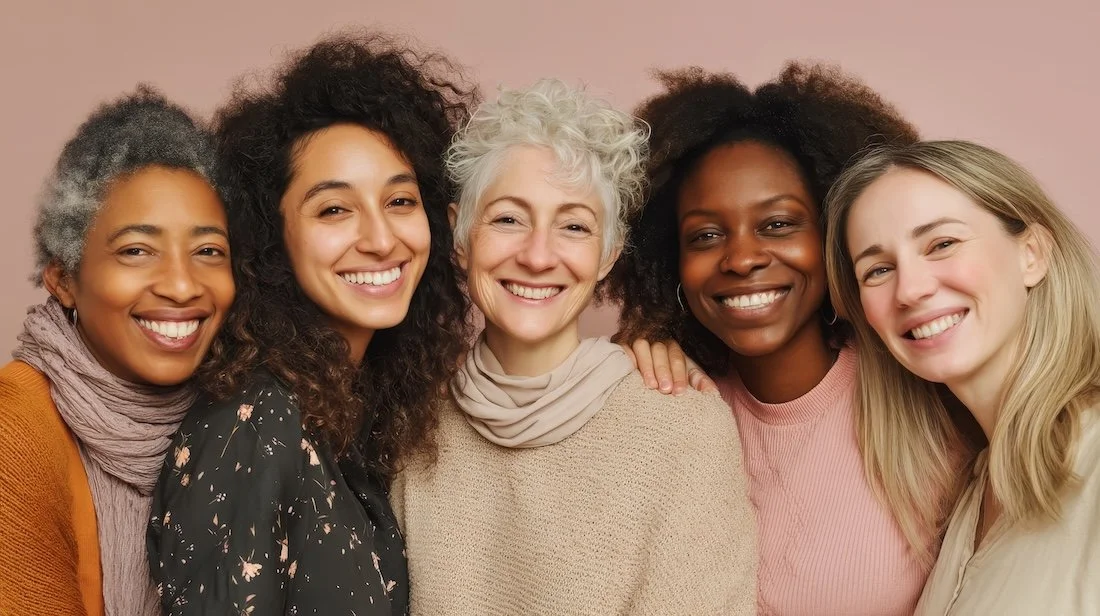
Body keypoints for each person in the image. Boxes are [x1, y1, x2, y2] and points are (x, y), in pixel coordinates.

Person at [390, 78, 756, 616]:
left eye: (574, 227)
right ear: (460, 236)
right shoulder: (412, 423)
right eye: (509, 219)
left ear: (609, 254)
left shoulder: (683, 429)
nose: (539, 256)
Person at [148, 32, 474, 615]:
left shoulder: (358, 412)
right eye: (334, 209)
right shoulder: (252, 424)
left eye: (400, 201)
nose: (381, 239)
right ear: (272, 240)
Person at [609, 64, 940, 615]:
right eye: (706, 235)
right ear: (671, 259)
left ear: (835, 230)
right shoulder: (671, 409)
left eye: (778, 224)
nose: (741, 258)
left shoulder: (920, 392)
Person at [824, 139, 1100, 614]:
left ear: (1031, 253)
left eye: (942, 244)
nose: (910, 289)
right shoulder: (974, 495)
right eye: (878, 270)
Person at [0, 87, 234, 616]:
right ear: (62, 280)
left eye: (208, 251)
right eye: (136, 251)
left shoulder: (241, 419)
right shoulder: (14, 430)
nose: (181, 285)